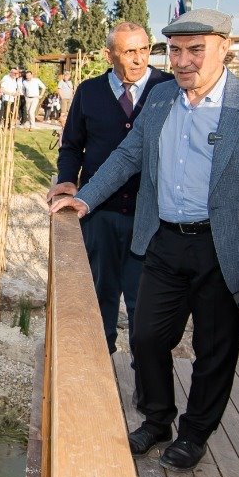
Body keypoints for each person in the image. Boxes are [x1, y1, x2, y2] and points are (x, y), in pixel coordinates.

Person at [51, 8, 239, 471]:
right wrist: (84, 200)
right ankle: (157, 419)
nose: (183, 61)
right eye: (177, 50)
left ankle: (195, 434)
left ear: (225, 48)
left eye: (195, 50)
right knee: (146, 336)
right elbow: (127, 156)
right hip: (163, 241)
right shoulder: (161, 100)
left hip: (225, 250)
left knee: (214, 349)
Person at [48, 21, 173, 356]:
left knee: (143, 305)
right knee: (98, 299)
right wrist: (66, 178)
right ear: (109, 54)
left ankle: (144, 383)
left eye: (144, 49)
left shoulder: (170, 89)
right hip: (98, 213)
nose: (139, 59)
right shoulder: (89, 91)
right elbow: (71, 145)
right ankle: (98, 373)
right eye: (129, 51)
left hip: (149, 218)